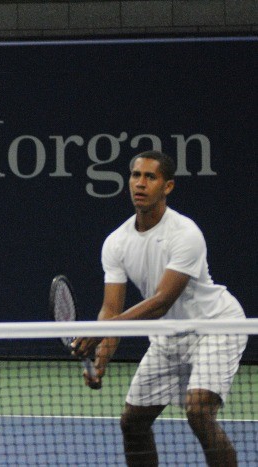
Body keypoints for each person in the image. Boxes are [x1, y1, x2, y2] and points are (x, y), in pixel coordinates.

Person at [73, 151, 247, 467]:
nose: (140, 184)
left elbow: (161, 302)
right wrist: (101, 360)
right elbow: (111, 311)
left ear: (167, 187)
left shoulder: (185, 234)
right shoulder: (116, 242)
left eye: (150, 177)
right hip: (168, 338)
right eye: (135, 175)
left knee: (197, 411)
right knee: (132, 423)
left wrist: (101, 331)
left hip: (215, 327)